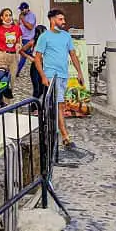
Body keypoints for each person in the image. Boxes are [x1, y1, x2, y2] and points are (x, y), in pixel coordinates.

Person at [34, 9, 85, 148]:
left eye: (63, 19)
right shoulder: (44, 37)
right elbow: (37, 59)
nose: (64, 22)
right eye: (60, 19)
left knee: (58, 105)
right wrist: (43, 76)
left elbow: (73, 55)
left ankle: (52, 128)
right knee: (60, 104)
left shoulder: (66, 36)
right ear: (52, 20)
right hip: (52, 75)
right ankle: (65, 137)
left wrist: (80, 73)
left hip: (64, 75)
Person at [20, 24, 48, 99]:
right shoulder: (33, 42)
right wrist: (30, 58)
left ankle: (39, 106)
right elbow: (22, 51)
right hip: (35, 66)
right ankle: (33, 108)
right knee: (36, 89)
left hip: (44, 66)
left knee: (43, 89)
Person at [15, 2, 37, 77]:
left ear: (27, 9)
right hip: (23, 38)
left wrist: (23, 19)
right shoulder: (21, 15)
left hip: (29, 38)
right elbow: (19, 25)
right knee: (28, 54)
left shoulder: (32, 16)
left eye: (22, 9)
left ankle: (16, 72)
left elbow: (30, 27)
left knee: (23, 55)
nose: (21, 11)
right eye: (20, 10)